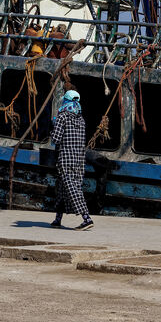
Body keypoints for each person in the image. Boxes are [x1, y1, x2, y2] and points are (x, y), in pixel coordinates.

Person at [49, 89, 93, 230]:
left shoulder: (62, 117)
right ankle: (58, 219)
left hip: (66, 158)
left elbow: (56, 139)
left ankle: (87, 218)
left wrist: (53, 125)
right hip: (79, 159)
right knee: (63, 189)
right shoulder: (81, 119)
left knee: (72, 188)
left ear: (65, 101)